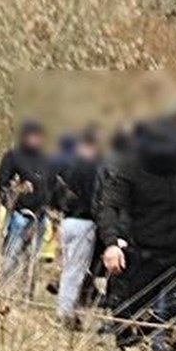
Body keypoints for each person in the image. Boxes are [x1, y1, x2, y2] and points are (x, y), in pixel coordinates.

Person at [96, 114, 176, 351]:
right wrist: (111, 244)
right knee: (132, 324)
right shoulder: (131, 166)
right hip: (142, 252)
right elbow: (110, 205)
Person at [51, 128, 103, 327]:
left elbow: (55, 190)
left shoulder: (68, 164)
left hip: (67, 220)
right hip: (85, 222)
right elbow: (95, 197)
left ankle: (67, 309)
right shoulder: (93, 167)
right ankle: (66, 313)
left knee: (69, 267)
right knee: (76, 270)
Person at [0, 120, 50, 280]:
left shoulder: (45, 158)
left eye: (38, 136)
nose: (35, 139)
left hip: (40, 217)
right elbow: (2, 186)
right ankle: (3, 288)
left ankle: (26, 290)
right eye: (32, 136)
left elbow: (51, 184)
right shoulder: (13, 157)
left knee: (32, 261)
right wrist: (14, 204)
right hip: (19, 216)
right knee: (11, 258)